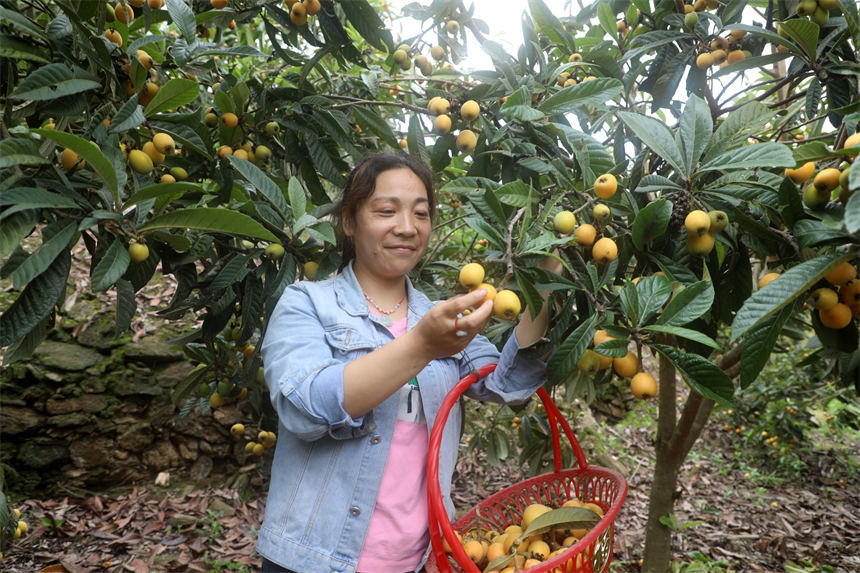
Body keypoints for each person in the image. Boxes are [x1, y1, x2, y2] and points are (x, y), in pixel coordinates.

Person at [257, 153, 561, 573]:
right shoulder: (307, 303)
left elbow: (507, 382)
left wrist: (545, 278)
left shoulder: (442, 317)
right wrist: (420, 346)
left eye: (421, 213)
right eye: (386, 211)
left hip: (418, 561)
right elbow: (303, 407)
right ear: (349, 220)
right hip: (316, 559)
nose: (406, 227)